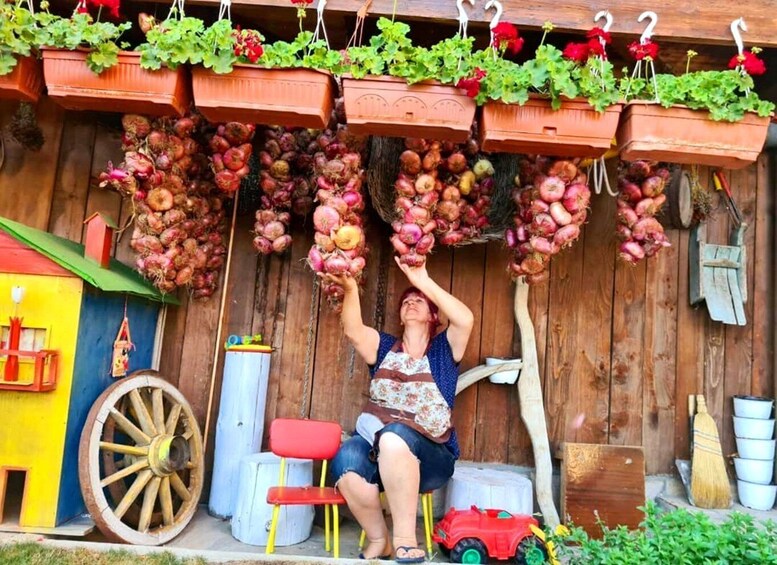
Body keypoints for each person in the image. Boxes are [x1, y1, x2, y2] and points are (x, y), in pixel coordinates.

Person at [325, 256, 474, 563]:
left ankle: (405, 539)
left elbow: (465, 319)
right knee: (346, 464)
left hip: (431, 456)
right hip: (379, 450)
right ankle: (380, 539)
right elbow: (354, 330)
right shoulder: (383, 348)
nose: (411, 302)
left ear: (433, 315)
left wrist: (423, 282)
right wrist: (351, 290)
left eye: (419, 301)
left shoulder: (444, 350)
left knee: (394, 436)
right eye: (407, 300)